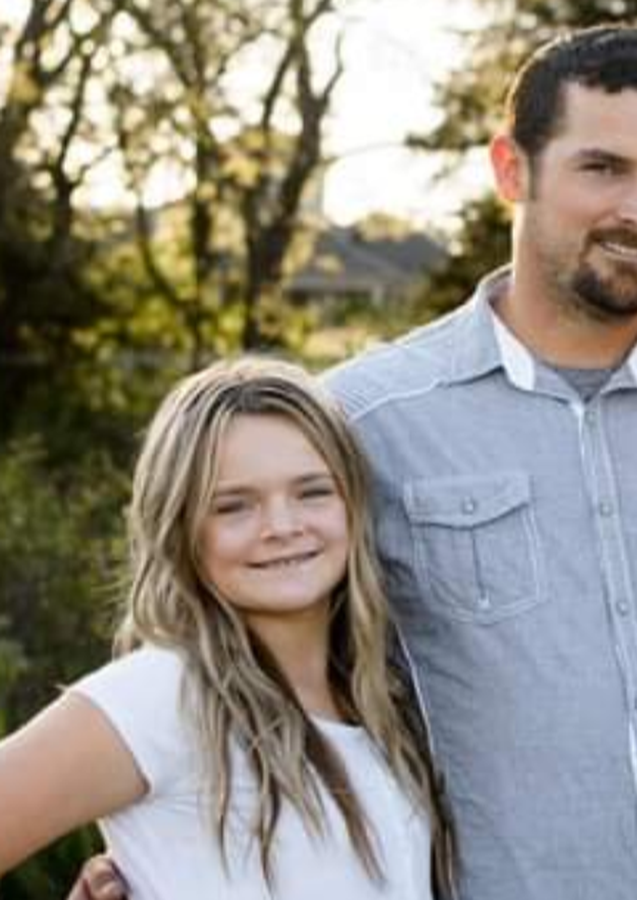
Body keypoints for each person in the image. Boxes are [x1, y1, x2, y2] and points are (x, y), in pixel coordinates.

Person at [69, 24, 637, 900]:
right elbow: (230, 654)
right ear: (512, 169)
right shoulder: (362, 419)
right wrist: (160, 859)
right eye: (603, 168)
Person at [0, 358, 455, 898]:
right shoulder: (163, 695)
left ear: (353, 504)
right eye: (234, 506)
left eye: (312, 492)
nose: (282, 526)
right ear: (181, 528)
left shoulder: (382, 701)